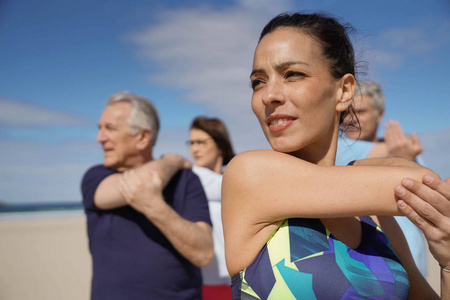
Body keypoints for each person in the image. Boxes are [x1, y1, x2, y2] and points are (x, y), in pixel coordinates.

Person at [221, 13, 450, 299]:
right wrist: (363, 165)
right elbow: (420, 180)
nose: (269, 95)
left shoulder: (377, 218)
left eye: (292, 74)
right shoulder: (250, 174)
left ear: (344, 91)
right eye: (258, 81)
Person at [81, 91, 214, 300]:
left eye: (110, 128)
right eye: (99, 129)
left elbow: (204, 253)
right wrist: (172, 160)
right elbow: (138, 184)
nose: (100, 138)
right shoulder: (96, 177)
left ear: (143, 137)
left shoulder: (186, 180)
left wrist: (155, 207)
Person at [337, 80, 428, 276]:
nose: (350, 119)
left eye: (360, 112)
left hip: (417, 275)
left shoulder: (403, 150)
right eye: (346, 112)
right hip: (373, 277)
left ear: (380, 115)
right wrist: (404, 156)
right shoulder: (337, 149)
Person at [187, 116, 235, 300]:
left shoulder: (229, 178)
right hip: (204, 284)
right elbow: (234, 187)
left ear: (220, 143)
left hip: (238, 280)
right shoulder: (192, 177)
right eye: (191, 143)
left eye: (201, 142)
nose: (194, 149)